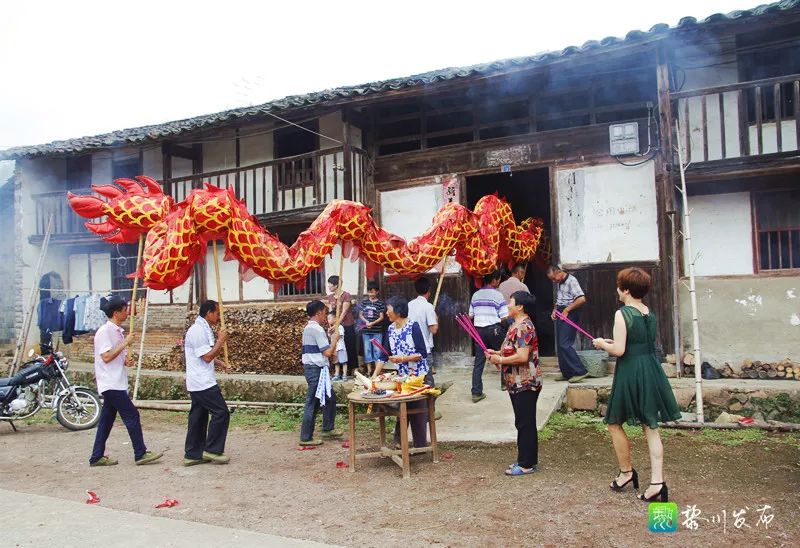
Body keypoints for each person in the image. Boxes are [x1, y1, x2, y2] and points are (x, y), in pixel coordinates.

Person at [592, 267, 681, 502]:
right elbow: (638, 342)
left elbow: (620, 350)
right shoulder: (648, 312)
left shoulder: (622, 313)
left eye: (619, 286)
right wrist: (614, 342)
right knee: (651, 427)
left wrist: (602, 343)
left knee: (613, 422)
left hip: (630, 372)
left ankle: (626, 472)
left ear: (627, 290)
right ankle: (657, 483)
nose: (617, 290)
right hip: (651, 370)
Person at [89, 296, 162, 467]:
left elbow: (113, 356)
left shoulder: (117, 331)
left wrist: (125, 360)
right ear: (116, 312)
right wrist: (125, 343)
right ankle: (140, 453)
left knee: (106, 420)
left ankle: (96, 456)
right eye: (124, 310)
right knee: (131, 415)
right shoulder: (105, 331)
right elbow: (106, 356)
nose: (127, 313)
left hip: (116, 380)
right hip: (111, 382)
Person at [486, 291, 541, 476]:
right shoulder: (514, 325)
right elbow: (511, 350)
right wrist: (497, 353)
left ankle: (526, 464)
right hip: (515, 382)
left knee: (525, 422)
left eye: (510, 302)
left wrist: (499, 361)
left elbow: (523, 356)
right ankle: (526, 459)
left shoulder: (524, 327)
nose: (508, 305)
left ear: (520, 307)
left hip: (525, 381)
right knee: (523, 422)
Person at [374, 296, 432, 449]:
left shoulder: (413, 326)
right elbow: (383, 355)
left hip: (418, 376)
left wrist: (402, 359)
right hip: (402, 377)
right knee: (403, 408)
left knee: (418, 410)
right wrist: (374, 376)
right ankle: (398, 442)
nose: (387, 312)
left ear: (398, 311)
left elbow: (422, 353)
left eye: (389, 309)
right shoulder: (391, 328)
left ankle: (420, 446)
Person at [183, 300, 232, 466]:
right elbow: (206, 357)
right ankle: (212, 449)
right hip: (202, 381)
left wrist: (221, 364)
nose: (218, 316)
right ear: (209, 313)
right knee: (221, 412)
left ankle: (192, 454)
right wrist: (221, 341)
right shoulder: (197, 330)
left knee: (198, 417)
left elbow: (206, 354)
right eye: (217, 313)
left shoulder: (203, 328)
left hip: (199, 379)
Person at [300, 300, 344, 446]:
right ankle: (306, 437)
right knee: (312, 402)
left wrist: (328, 336)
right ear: (318, 312)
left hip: (315, 369)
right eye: (324, 312)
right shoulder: (317, 329)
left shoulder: (310, 328)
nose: (326, 315)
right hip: (316, 369)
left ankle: (327, 428)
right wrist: (334, 339)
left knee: (329, 398)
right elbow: (327, 352)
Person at [468, 270, 508, 403]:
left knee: (479, 362)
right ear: (495, 280)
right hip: (494, 329)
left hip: (479, 330)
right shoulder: (498, 295)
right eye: (498, 280)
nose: (498, 282)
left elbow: (470, 316)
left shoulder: (475, 295)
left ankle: (476, 392)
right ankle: (505, 383)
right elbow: (504, 317)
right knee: (504, 355)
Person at [547, 265, 588, 383]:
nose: (554, 281)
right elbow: (560, 299)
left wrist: (567, 310)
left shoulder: (571, 281)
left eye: (554, 278)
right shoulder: (560, 282)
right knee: (560, 345)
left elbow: (581, 299)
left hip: (570, 312)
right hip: (561, 311)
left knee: (565, 343)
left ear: (559, 272)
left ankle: (580, 371)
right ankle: (567, 373)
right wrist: (555, 309)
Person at [326, 275, 358, 375]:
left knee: (349, 345)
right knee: (337, 346)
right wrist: (330, 324)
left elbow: (344, 312)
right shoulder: (330, 297)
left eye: (330, 285)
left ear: (336, 285)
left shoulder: (346, 295)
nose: (329, 287)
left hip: (347, 324)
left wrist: (337, 325)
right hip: (335, 324)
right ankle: (339, 371)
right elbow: (331, 312)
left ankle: (354, 368)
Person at [407, 277, 438, 374]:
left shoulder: (409, 305)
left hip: (410, 349)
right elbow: (434, 330)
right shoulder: (428, 307)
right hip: (424, 350)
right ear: (429, 290)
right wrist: (436, 318)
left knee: (413, 380)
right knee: (427, 381)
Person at [358, 281, 386, 377]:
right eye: (369, 292)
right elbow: (360, 314)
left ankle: (376, 371)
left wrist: (373, 323)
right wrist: (366, 322)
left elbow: (382, 316)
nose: (371, 294)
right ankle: (369, 370)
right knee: (367, 350)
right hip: (366, 331)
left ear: (377, 292)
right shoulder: (364, 302)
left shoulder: (380, 303)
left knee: (377, 350)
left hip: (377, 331)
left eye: (373, 292)